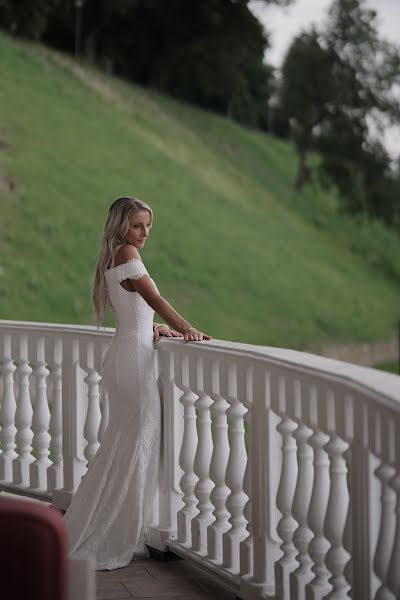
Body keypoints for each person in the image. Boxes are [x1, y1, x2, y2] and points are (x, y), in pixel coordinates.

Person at [63, 196, 212, 570]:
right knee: (135, 444)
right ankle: (111, 531)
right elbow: (154, 298)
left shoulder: (115, 254)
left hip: (128, 352)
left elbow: (138, 311)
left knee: (123, 444)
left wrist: (156, 329)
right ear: (121, 226)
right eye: (137, 225)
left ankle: (110, 525)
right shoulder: (126, 252)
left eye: (148, 226)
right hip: (132, 361)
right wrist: (187, 329)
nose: (144, 233)